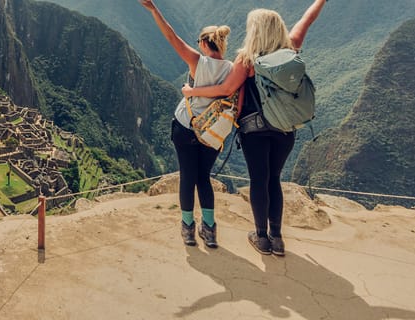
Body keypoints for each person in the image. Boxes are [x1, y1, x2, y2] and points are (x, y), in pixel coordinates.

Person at [182, 0, 327, 256]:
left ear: (255, 31)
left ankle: (261, 238)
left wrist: (193, 91)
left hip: (255, 130)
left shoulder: (247, 60)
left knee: (259, 180)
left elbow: (226, 90)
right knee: (274, 180)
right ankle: (278, 239)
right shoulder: (290, 48)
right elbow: (308, 19)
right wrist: (321, 1)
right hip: (285, 130)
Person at [140, 0, 234, 248]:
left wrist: (153, 9)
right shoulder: (233, 70)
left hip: (185, 127)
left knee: (187, 178)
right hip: (213, 133)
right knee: (204, 178)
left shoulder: (197, 60)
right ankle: (210, 231)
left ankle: (188, 230)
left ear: (204, 43)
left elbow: (171, 37)